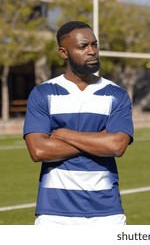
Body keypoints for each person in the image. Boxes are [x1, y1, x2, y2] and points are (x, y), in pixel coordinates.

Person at [23, 21, 134, 225]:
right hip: (54, 215)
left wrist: (64, 134)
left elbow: (117, 146)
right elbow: (38, 151)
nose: (92, 51)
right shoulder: (43, 93)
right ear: (64, 53)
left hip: (107, 214)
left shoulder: (117, 95)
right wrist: (99, 140)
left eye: (94, 44)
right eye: (83, 47)